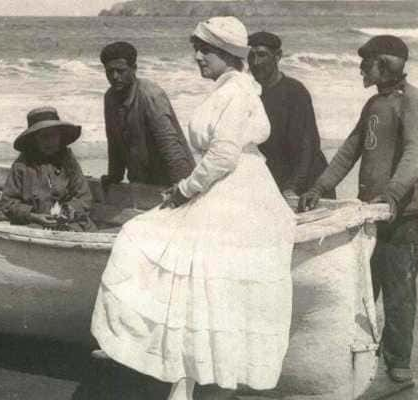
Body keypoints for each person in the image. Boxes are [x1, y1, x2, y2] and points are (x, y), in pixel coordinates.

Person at [91, 17, 295, 400]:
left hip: (235, 191)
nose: (198, 58)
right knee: (193, 277)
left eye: (205, 51)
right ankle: (186, 370)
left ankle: (186, 369)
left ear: (227, 54)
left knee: (156, 247)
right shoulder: (234, 88)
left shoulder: (235, 92)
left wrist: (185, 189)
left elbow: (223, 155)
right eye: (197, 50)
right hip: (231, 185)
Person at [298, 35, 418, 384]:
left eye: (366, 62)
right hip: (369, 215)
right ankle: (361, 351)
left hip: (402, 215)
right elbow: (350, 149)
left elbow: (415, 155)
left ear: (384, 65)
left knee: (399, 290)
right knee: (363, 287)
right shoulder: (374, 105)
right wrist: (320, 186)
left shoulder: (412, 102)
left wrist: (392, 195)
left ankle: (398, 358)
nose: (360, 68)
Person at [247, 31, 333, 199]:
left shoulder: (295, 92)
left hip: (308, 182)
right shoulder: (250, 94)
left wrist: (292, 188)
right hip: (276, 180)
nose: (255, 62)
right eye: (251, 56)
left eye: (262, 55)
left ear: (277, 56)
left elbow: (308, 146)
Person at [100, 41, 195, 188]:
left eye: (121, 71)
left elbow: (170, 145)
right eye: (109, 71)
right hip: (140, 180)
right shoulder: (110, 97)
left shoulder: (150, 95)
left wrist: (182, 187)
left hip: (171, 180)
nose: (115, 77)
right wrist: (114, 175)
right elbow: (114, 142)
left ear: (134, 69)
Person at [1, 107, 96, 232]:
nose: (50, 141)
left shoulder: (68, 161)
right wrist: (34, 216)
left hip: (71, 222)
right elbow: (8, 204)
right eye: (44, 137)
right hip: (33, 225)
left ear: (60, 136)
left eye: (54, 136)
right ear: (34, 139)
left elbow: (84, 197)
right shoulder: (22, 165)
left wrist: (67, 211)